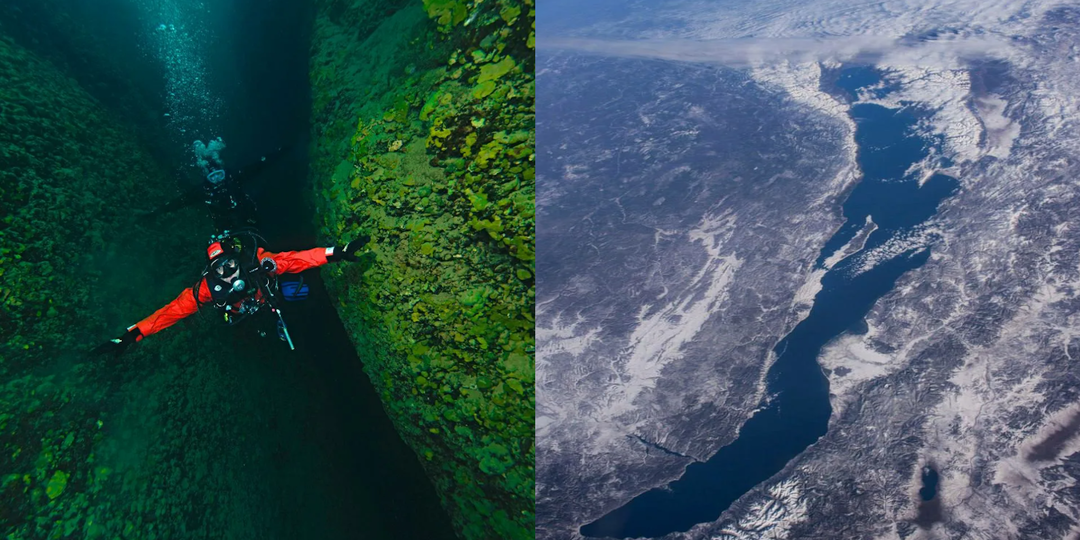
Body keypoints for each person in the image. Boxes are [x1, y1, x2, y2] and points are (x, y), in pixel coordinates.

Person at [92, 229, 369, 356]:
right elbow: (170, 312)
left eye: (231, 264)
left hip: (266, 299)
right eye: (219, 269)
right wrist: (132, 335)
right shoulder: (206, 290)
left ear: (239, 259)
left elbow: (295, 259)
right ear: (211, 272)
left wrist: (337, 253)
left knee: (296, 293)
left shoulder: (257, 264)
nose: (228, 273)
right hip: (240, 316)